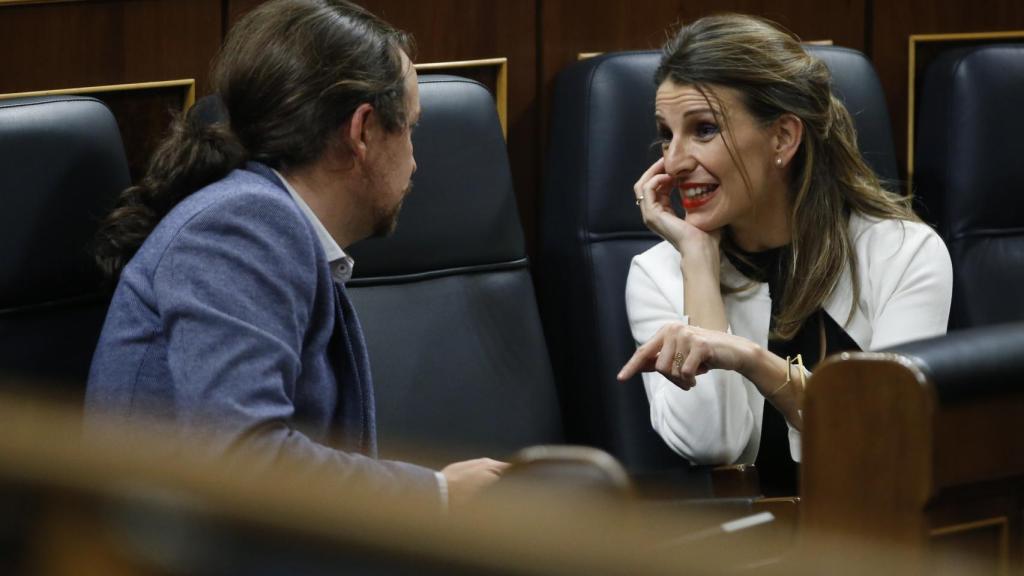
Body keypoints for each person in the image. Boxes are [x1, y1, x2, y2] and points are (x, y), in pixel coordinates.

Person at [86, 0, 505, 510]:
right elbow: (245, 460)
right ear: (364, 132)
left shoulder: (259, 217)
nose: (415, 161)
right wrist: (438, 493)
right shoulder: (242, 226)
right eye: (410, 128)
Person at [616, 14, 952, 495]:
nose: (674, 161)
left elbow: (886, 439)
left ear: (783, 138)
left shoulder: (903, 253)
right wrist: (697, 261)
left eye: (704, 129)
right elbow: (715, 446)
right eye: (667, 134)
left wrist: (753, 361)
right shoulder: (657, 274)